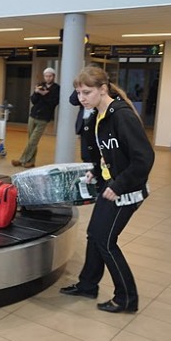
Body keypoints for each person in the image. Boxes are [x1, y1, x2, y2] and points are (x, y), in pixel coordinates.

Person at [60, 66, 155, 314]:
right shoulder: (98, 115)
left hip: (127, 190)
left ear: (103, 89)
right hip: (109, 185)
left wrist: (119, 185)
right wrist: (95, 169)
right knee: (94, 234)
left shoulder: (121, 115)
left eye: (87, 92)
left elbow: (144, 159)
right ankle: (87, 286)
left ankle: (126, 298)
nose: (82, 98)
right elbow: (107, 152)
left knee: (105, 240)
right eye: (79, 93)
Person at [12, 67, 60, 168]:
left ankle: (22, 160)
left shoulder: (56, 88)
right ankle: (31, 161)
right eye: (46, 76)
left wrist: (44, 95)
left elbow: (53, 103)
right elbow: (33, 100)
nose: (48, 78)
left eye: (50, 76)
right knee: (31, 141)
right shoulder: (40, 85)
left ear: (53, 76)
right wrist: (37, 92)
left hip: (43, 118)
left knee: (33, 141)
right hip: (33, 116)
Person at [69, 89, 92, 162]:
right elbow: (73, 100)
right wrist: (78, 88)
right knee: (85, 154)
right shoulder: (81, 89)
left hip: (97, 121)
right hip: (84, 122)